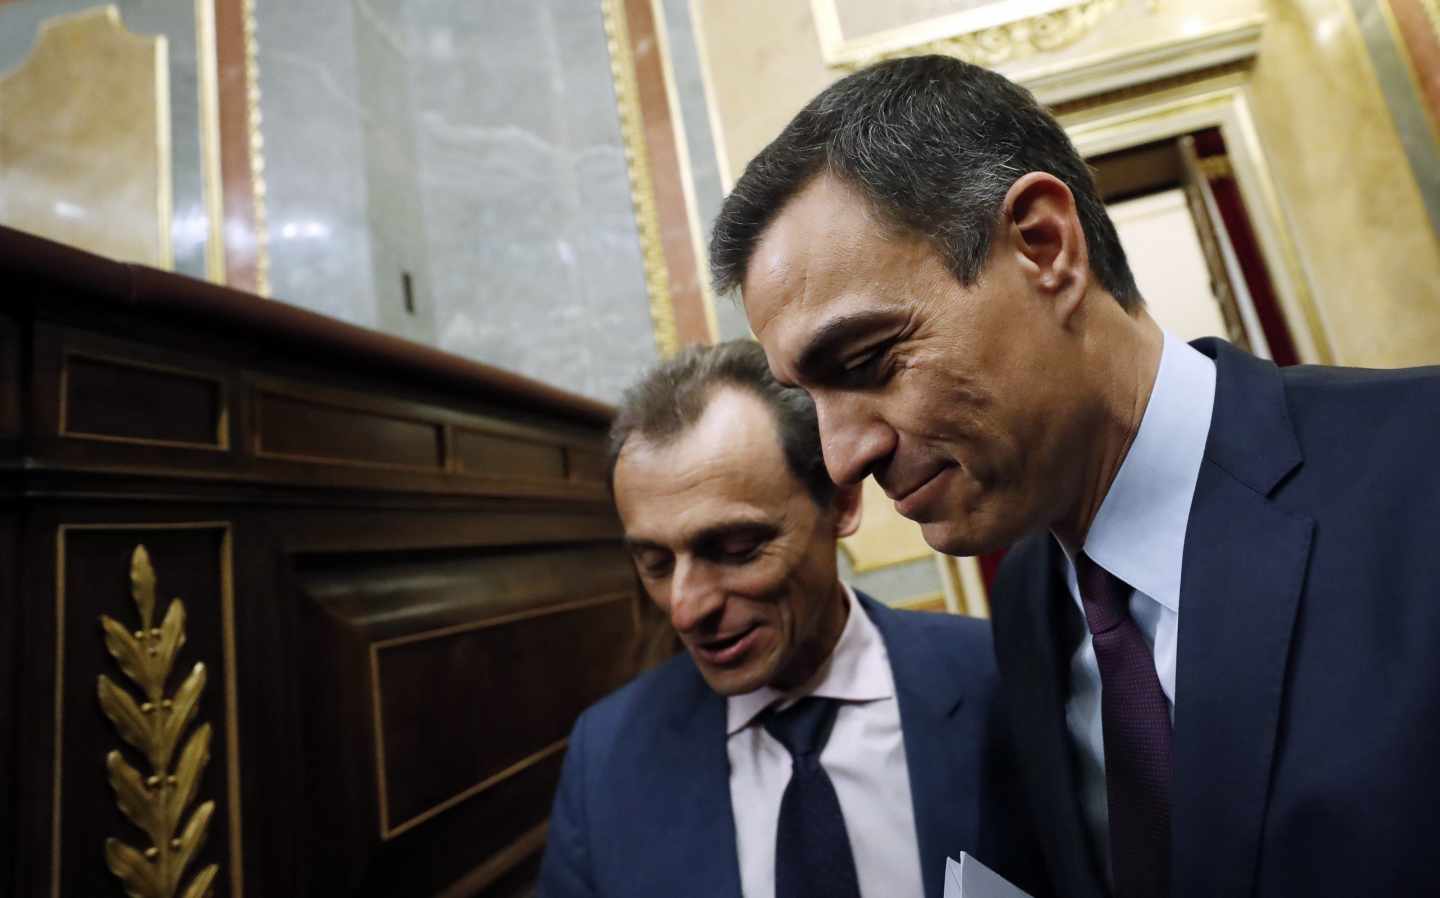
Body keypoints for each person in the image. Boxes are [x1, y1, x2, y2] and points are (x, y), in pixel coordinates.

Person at [711, 53, 1440, 898]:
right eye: (810, 398)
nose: (844, 458)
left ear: (1043, 245)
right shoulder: (1028, 603)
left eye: (870, 361)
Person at [537, 340, 1034, 898]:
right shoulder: (605, 759)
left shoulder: (1004, 677)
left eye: (736, 548)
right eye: (654, 562)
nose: (685, 607)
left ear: (842, 505)